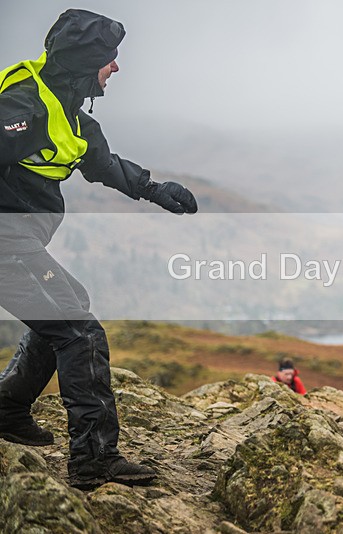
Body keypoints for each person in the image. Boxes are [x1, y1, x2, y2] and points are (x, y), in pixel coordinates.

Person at [0, 9, 197, 490]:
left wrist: (155, 189)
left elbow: (103, 163)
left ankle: (7, 409)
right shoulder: (23, 107)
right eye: (110, 59)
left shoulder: (68, 114)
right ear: (87, 61)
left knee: (72, 310)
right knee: (80, 332)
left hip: (17, 241)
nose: (116, 68)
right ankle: (93, 460)